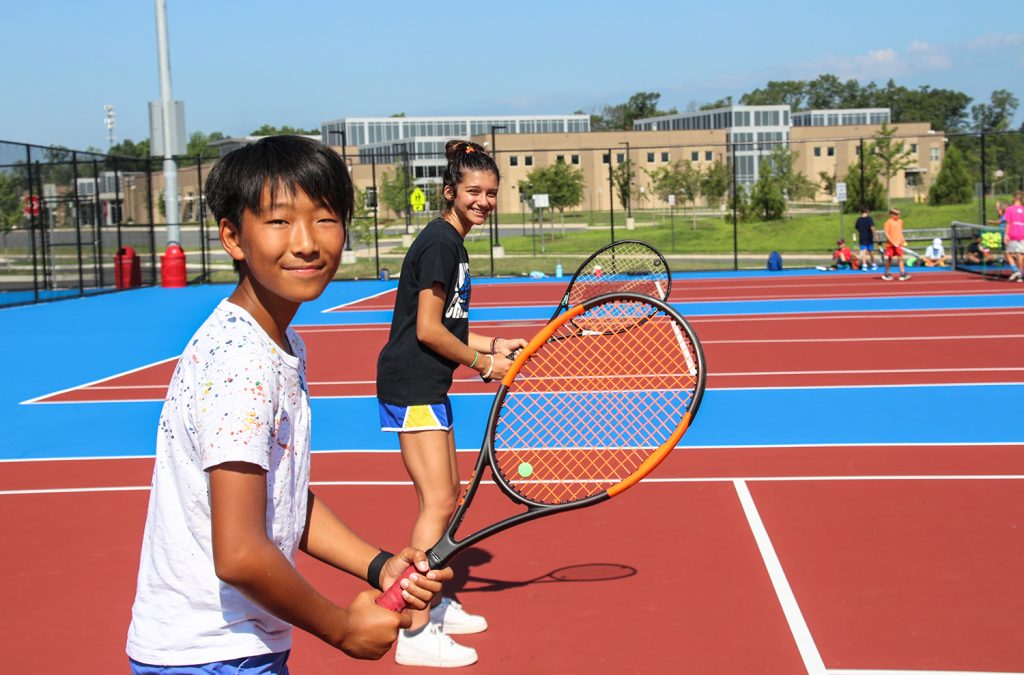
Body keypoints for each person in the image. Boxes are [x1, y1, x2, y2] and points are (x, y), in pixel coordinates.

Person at [126, 136, 451, 674]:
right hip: (212, 656)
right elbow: (239, 554)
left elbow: (283, 497)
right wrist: (343, 630)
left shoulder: (277, 343)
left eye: (325, 219)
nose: (306, 242)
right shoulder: (242, 362)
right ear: (233, 236)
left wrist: (378, 567)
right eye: (279, 222)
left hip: (224, 649)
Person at [376, 140, 528, 668]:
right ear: (450, 193)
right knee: (438, 503)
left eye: (491, 192)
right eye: (473, 192)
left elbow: (450, 328)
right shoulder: (442, 244)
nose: (484, 201)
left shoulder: (453, 243)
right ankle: (415, 633)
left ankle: (434, 606)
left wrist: (495, 345)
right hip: (413, 385)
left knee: (451, 496)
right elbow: (425, 330)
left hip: (428, 384)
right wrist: (484, 365)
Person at [881, 207, 910, 281]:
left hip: (898, 244)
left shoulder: (900, 221)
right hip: (890, 245)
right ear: (891, 214)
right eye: (896, 214)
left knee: (900, 258)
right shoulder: (888, 222)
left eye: (898, 214)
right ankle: (886, 273)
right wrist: (893, 242)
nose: (898, 216)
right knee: (889, 259)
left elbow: (900, 231)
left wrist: (903, 240)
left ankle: (902, 273)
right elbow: (886, 234)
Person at [1003, 191, 1024, 282]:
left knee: (1008, 253)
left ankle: (1017, 272)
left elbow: (1008, 223)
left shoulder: (1009, 209)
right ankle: (1020, 274)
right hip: (1022, 233)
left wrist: (1005, 235)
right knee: (1020, 254)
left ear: (1014, 198)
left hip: (1013, 233)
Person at [853, 206, 878, 271]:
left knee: (863, 252)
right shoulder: (869, 219)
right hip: (869, 238)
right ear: (867, 211)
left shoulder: (858, 220)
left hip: (862, 238)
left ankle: (864, 265)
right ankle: (873, 264)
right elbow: (872, 228)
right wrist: (876, 235)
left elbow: (857, 228)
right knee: (871, 252)